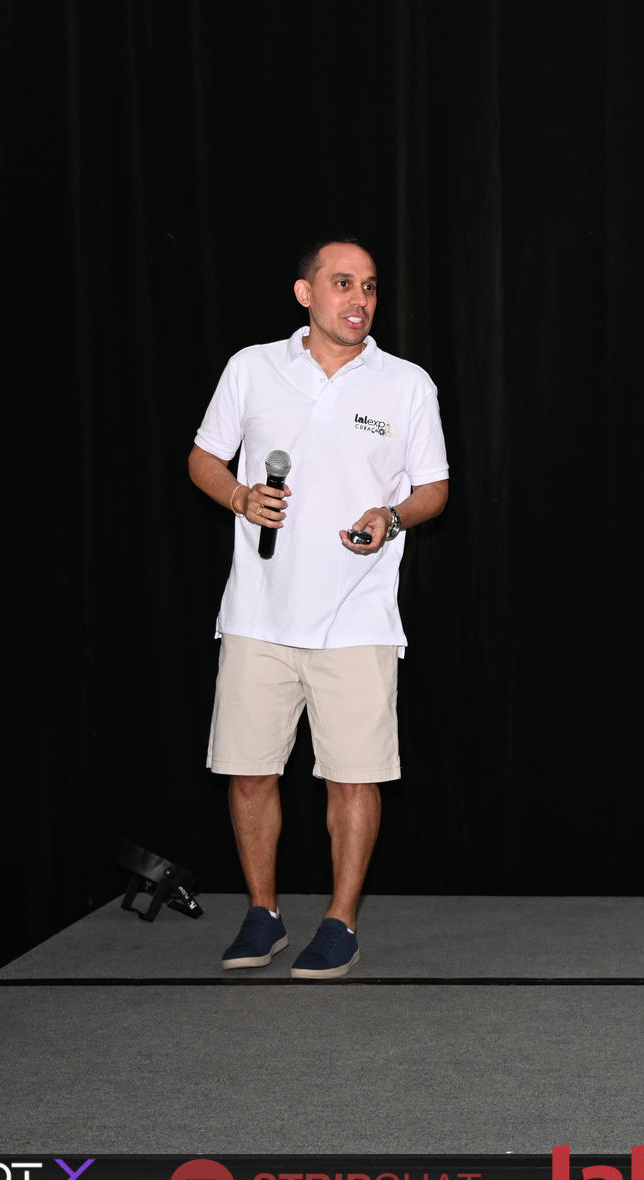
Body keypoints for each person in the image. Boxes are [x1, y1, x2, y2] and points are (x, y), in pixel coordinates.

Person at [188, 237, 448, 980]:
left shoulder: (406, 384)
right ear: (306, 293)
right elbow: (203, 458)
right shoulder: (252, 367)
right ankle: (262, 913)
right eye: (342, 283)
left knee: (353, 777)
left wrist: (391, 516)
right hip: (257, 613)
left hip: (357, 618)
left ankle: (341, 923)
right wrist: (239, 496)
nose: (359, 299)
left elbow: (434, 488)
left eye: (369, 286)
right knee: (248, 772)